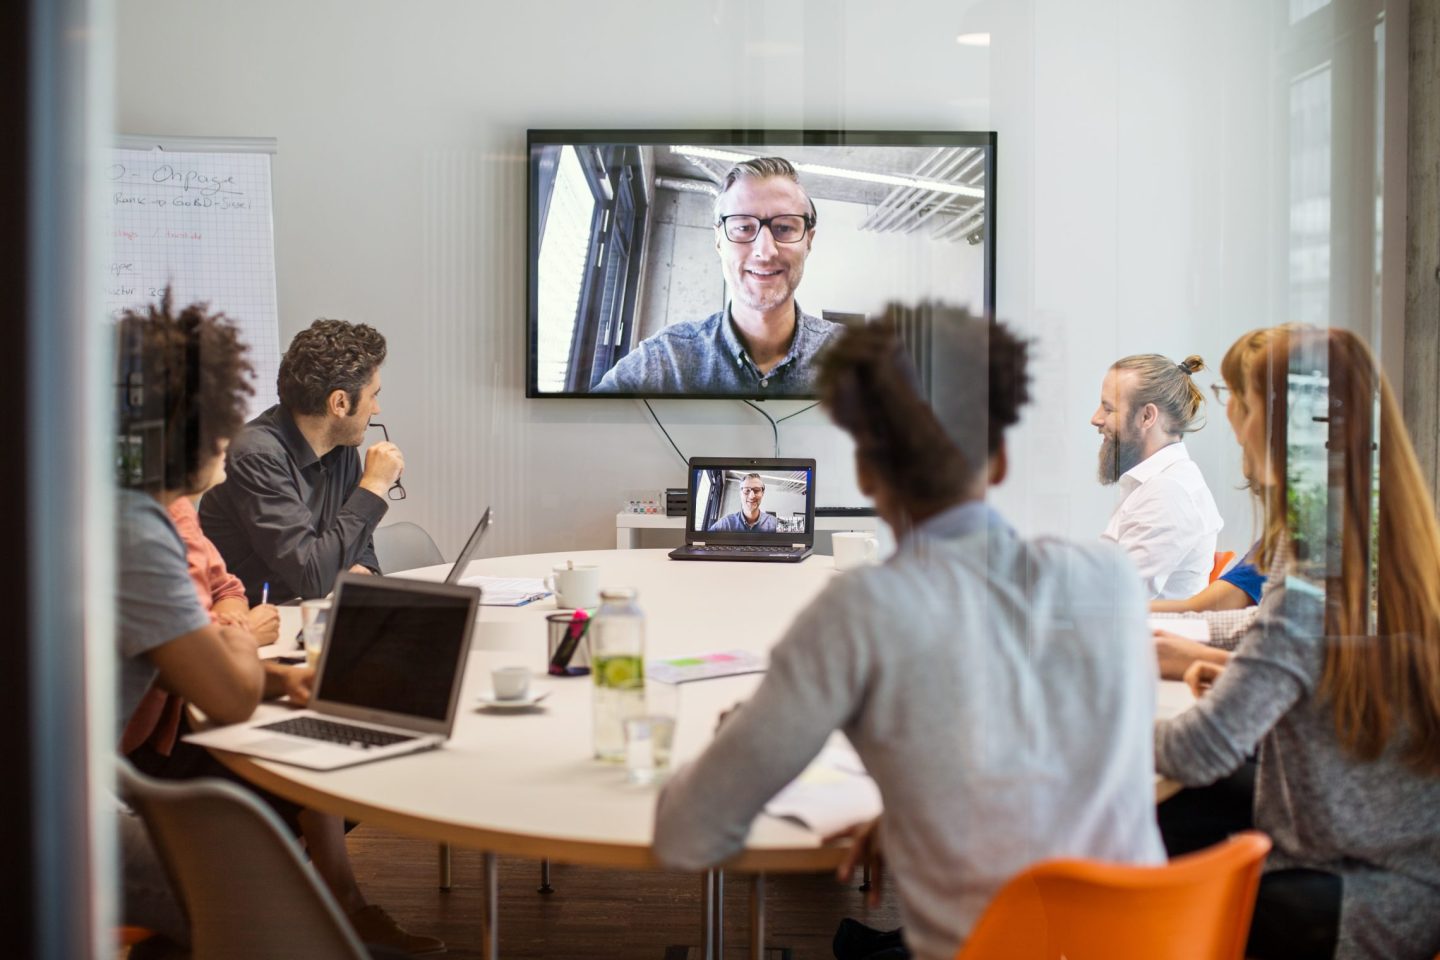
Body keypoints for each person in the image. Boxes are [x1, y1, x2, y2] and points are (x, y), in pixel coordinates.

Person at [652, 305, 1164, 960]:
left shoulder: (863, 612)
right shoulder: (1111, 579)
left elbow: (688, 835)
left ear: (866, 474)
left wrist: (736, 735)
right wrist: (918, 811)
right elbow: (1058, 766)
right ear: (1000, 459)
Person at [114, 295, 443, 957]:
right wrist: (238, 640)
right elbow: (229, 676)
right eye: (222, 417)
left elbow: (329, 563)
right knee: (266, 873)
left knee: (335, 742)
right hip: (100, 793)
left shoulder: (129, 513)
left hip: (136, 745)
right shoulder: (140, 533)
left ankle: (338, 912)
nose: (235, 435)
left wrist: (269, 674)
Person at [1155, 326, 1440, 959]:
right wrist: (1217, 663)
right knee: (1166, 821)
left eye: (1239, 398)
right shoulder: (1360, 522)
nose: (1228, 413)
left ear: (1275, 422)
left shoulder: (1319, 555)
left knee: (1143, 859)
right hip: (1379, 851)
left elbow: (1199, 747)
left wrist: (1083, 718)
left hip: (1363, 891)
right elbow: (1284, 644)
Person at [593, 157, 844, 395]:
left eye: (785, 228)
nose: (765, 251)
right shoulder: (664, 363)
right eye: (743, 227)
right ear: (719, 241)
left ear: (808, 241)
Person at [199, 318, 403, 604]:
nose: (376, 409)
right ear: (340, 403)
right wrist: (373, 486)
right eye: (374, 396)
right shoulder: (256, 457)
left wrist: (364, 569)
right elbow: (310, 577)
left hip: (307, 611)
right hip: (252, 620)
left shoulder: (339, 445)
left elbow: (356, 537)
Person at [1091, 352, 1223, 600]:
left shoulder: (1169, 492)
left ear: (1147, 416)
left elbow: (1111, 599)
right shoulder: (1155, 484)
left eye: (1108, 409)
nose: (1095, 419)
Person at [709, 472, 778, 532]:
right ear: (740, 494)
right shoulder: (725, 524)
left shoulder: (775, 524)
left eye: (757, 490)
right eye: (747, 490)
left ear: (762, 494)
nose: (752, 496)